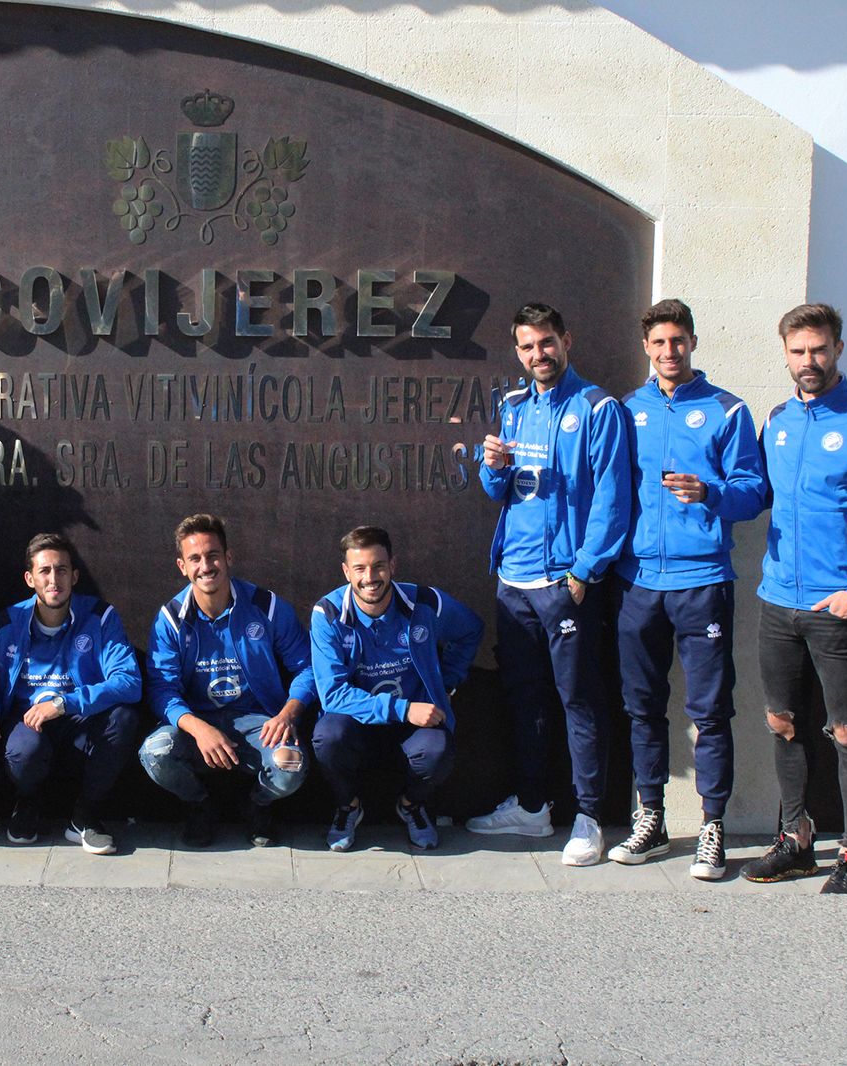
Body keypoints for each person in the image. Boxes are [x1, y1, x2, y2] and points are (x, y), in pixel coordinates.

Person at [740, 303, 847, 894]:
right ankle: (796, 841)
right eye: (797, 351)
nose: (807, 361)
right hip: (777, 602)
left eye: (817, 349)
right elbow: (755, 494)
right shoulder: (780, 419)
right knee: (783, 723)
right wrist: (706, 493)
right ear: (785, 354)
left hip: (837, 608)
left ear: (838, 349)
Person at [466, 302, 630, 866]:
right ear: (518, 352)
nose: (539, 354)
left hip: (565, 581)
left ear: (567, 340)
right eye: (527, 346)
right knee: (524, 698)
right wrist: (493, 467)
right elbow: (501, 492)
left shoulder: (597, 408)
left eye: (547, 343)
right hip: (513, 579)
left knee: (579, 700)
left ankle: (587, 817)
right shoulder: (512, 407)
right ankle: (533, 808)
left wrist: (585, 571)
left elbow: (612, 498)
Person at [609, 299, 766, 880]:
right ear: (645, 349)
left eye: (678, 341)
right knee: (643, 708)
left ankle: (712, 827)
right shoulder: (627, 410)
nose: (668, 352)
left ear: (693, 343)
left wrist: (712, 493)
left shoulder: (727, 410)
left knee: (711, 711)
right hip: (637, 582)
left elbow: (754, 491)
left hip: (703, 582)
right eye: (658, 343)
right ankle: (650, 818)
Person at [140, 514, 315, 848]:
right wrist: (197, 728)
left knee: (290, 766)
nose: (206, 566)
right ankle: (201, 806)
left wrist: (289, 713)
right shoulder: (169, 619)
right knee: (155, 752)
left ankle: (257, 806)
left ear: (228, 557)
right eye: (195, 559)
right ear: (182, 566)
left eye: (213, 555)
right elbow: (162, 689)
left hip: (259, 722)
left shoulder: (268, 607)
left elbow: (307, 668)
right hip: (197, 723)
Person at [310, 526, 483, 852]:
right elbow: (331, 694)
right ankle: (348, 807)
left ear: (393, 565)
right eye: (359, 568)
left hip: (412, 725)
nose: (370, 577)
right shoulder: (328, 614)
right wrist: (402, 708)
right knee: (327, 737)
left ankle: (411, 805)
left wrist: (448, 683)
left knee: (438, 749)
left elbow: (471, 629)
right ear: (346, 572)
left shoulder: (425, 603)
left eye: (378, 566)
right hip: (358, 723)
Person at [0, 533, 142, 854]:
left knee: (124, 717)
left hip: (79, 719)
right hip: (28, 723)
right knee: (26, 749)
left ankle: (85, 816)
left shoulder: (100, 617)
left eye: (62, 570)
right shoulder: (6, 623)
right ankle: (27, 803)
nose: (54, 579)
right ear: (30, 578)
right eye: (45, 571)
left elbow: (129, 681)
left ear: (75, 576)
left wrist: (64, 703)